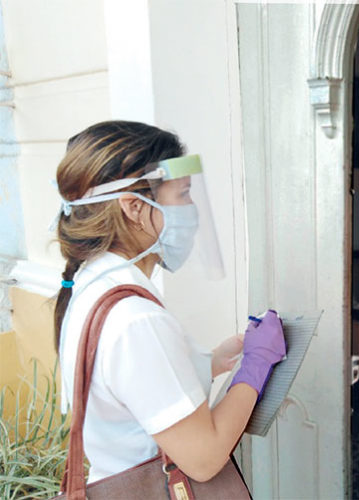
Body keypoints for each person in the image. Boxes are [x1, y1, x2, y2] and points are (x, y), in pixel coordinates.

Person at [53, 120, 285, 484]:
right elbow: (204, 459)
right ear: (133, 206)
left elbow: (129, 391)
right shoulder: (135, 320)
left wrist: (209, 362)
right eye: (183, 194)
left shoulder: (88, 283)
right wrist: (256, 365)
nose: (191, 208)